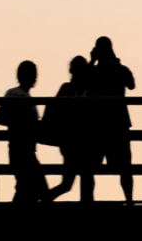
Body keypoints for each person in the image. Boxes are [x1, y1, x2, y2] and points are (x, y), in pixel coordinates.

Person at [86, 36, 136, 204]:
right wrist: (116, 62)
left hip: (97, 124)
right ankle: (129, 200)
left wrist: (91, 61)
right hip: (117, 122)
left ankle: (88, 202)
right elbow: (131, 84)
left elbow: (82, 82)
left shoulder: (93, 71)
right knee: (125, 167)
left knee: (89, 167)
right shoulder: (119, 70)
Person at [0, 61, 47, 203]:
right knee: (35, 189)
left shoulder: (14, 94)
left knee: (26, 189)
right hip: (22, 150)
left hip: (21, 149)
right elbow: (1, 118)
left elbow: (0, 118)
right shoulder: (21, 97)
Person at [43, 56, 94, 202]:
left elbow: (51, 109)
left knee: (73, 182)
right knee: (79, 181)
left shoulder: (76, 89)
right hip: (75, 142)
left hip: (75, 142)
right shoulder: (80, 89)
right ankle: (45, 199)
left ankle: (45, 199)